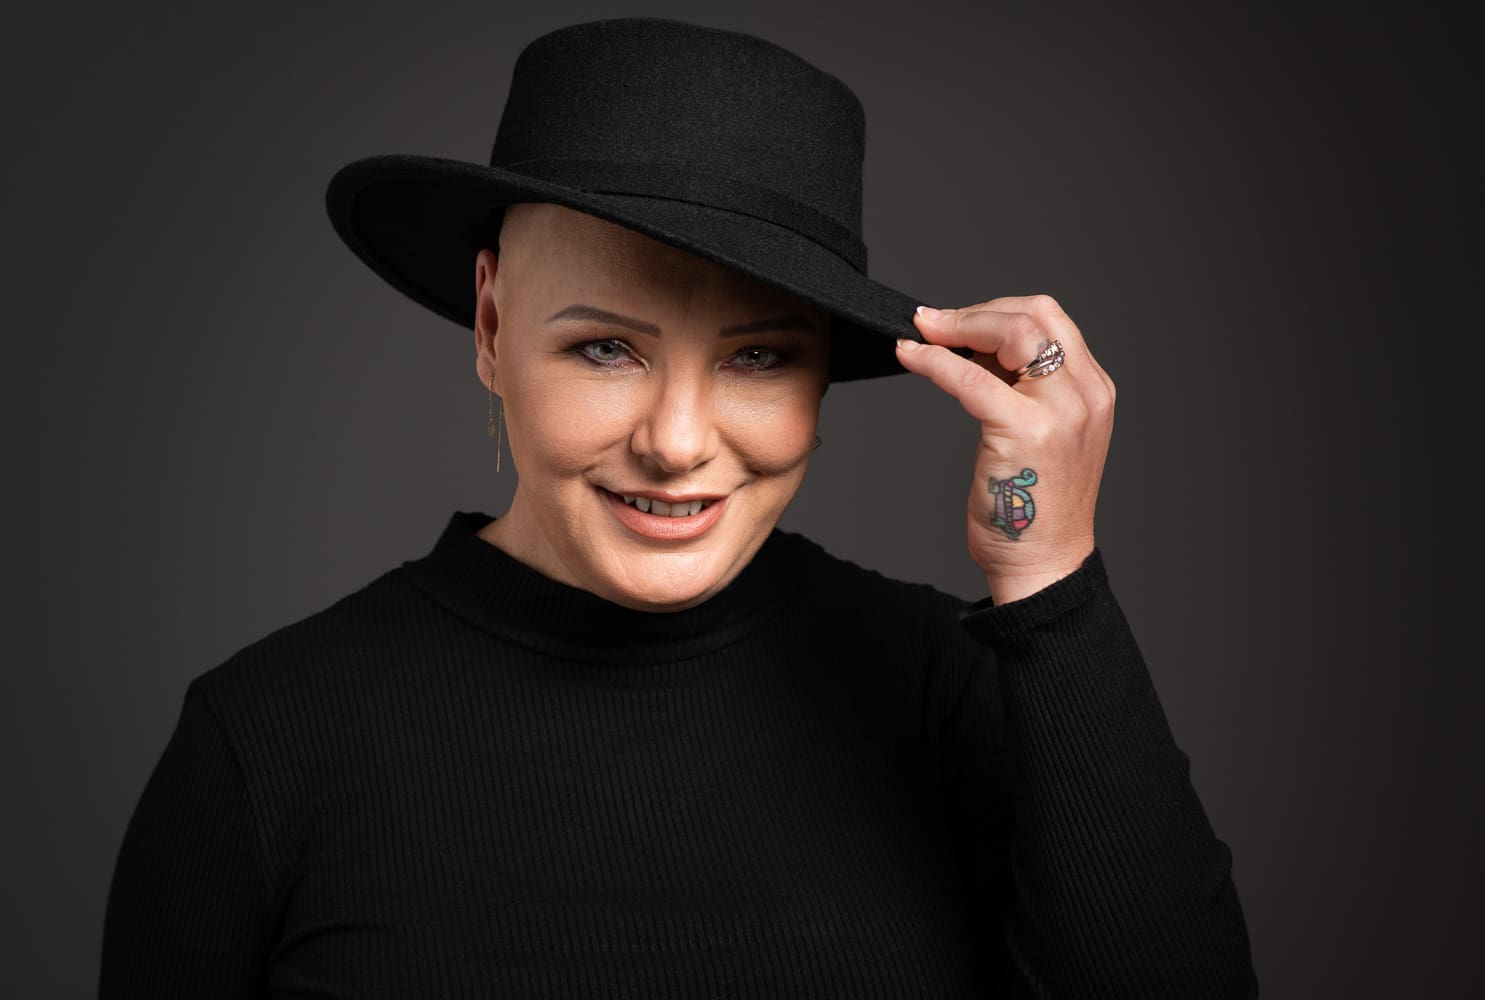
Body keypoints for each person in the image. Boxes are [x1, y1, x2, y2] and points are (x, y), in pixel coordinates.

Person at [99, 16, 1257, 998]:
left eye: (758, 358)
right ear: (493, 326)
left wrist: (1049, 579)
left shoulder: (941, 688)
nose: (678, 441)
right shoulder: (264, 743)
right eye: (607, 347)